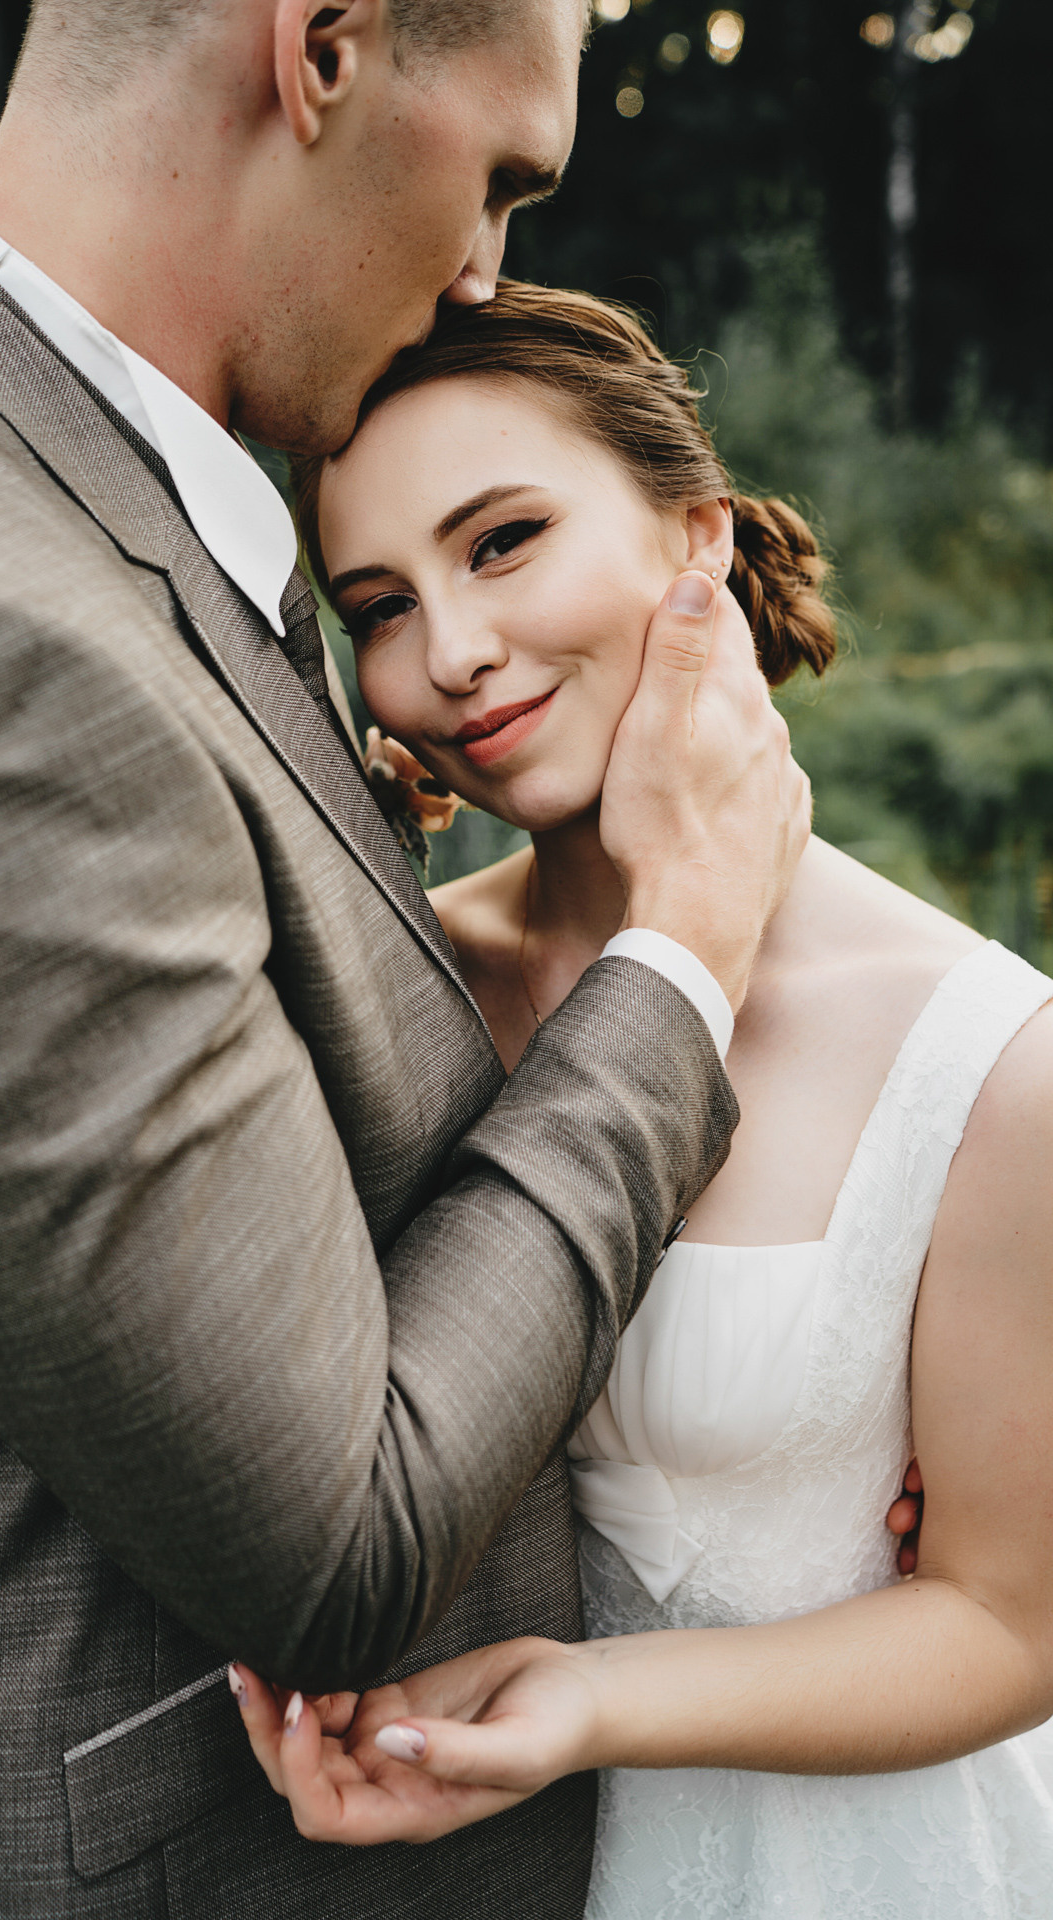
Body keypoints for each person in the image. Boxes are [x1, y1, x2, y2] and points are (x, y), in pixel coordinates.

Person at [0, 6, 822, 1917]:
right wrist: (684, 946)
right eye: (503, 175)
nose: (489, 269)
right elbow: (340, 1537)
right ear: (323, 48)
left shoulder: (100, 521)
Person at [235, 283, 1053, 1917]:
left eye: (505, 540)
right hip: (464, 1863)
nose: (450, 654)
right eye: (379, 605)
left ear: (695, 538)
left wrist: (592, 1703)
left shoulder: (988, 1057)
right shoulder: (389, 999)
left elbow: (1012, 1624)